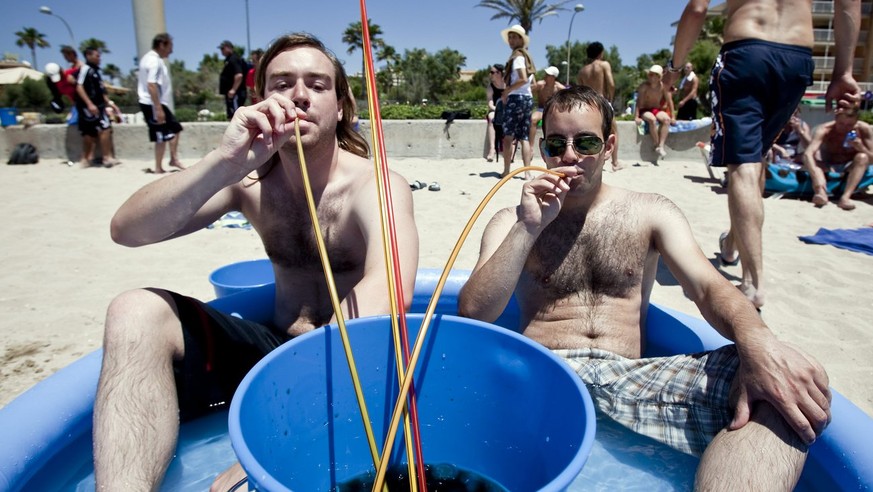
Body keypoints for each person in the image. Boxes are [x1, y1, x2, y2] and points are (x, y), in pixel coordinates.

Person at [458, 86, 830, 490]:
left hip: (630, 378)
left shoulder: (649, 211)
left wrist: (757, 340)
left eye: (585, 142)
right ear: (542, 147)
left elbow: (707, 286)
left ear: (608, 146)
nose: (568, 155)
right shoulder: (512, 220)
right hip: (546, 375)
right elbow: (475, 314)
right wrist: (529, 227)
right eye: (555, 143)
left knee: (790, 382)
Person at [92, 33, 419, 490]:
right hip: (271, 348)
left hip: (354, 365)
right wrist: (223, 163)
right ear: (261, 100)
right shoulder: (246, 181)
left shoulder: (375, 185)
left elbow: (392, 287)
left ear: (342, 105)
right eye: (282, 83)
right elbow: (128, 230)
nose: (299, 95)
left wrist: (273, 435)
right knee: (134, 310)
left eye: (318, 84)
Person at [665, 0, 861, 310]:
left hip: (746, 53)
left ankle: (753, 283)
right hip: (797, 60)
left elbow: (698, 8)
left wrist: (675, 68)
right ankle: (732, 242)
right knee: (755, 159)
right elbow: (847, 4)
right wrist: (843, 71)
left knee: (743, 166)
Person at [802, 106, 872, 210]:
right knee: (812, 160)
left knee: (863, 157)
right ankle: (820, 192)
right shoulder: (825, 130)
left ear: (856, 122)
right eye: (841, 124)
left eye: (849, 125)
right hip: (828, 165)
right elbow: (808, 153)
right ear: (835, 120)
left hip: (850, 167)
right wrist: (816, 179)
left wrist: (861, 147)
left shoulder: (863, 130)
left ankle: (845, 197)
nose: (845, 128)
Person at [137, 32, 185, 174]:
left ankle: (173, 159)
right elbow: (151, 85)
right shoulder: (153, 61)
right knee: (160, 135)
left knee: (175, 128)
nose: (171, 50)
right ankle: (158, 167)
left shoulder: (151, 59)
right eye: (170, 46)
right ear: (162, 44)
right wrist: (158, 108)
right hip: (152, 103)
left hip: (157, 102)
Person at [74, 47, 121, 168]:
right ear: (88, 56)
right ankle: (86, 159)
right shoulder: (85, 70)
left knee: (105, 128)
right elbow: (79, 87)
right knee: (89, 133)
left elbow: (101, 91)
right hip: (88, 108)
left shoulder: (96, 72)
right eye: (97, 56)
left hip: (99, 107)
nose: (99, 58)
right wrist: (89, 104)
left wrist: (110, 103)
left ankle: (107, 157)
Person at [577, 41, 621, 171]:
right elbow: (611, 83)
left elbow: (579, 89)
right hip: (601, 100)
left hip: (587, 102)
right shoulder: (603, 65)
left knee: (589, 134)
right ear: (601, 53)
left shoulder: (582, 71)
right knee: (613, 131)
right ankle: (615, 162)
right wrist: (610, 97)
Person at [500, 24, 536, 179]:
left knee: (508, 135)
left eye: (514, 37)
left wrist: (507, 91)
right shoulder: (527, 58)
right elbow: (532, 83)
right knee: (524, 137)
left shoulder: (518, 57)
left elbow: (521, 78)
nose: (511, 40)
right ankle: (527, 172)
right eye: (510, 37)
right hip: (527, 98)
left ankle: (507, 170)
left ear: (521, 39)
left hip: (516, 98)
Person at [634, 65, 674, 159]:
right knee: (652, 119)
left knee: (666, 119)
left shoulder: (662, 86)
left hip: (656, 109)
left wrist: (673, 116)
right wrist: (636, 116)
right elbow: (638, 101)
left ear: (659, 76)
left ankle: (661, 145)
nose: (652, 77)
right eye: (650, 74)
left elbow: (669, 101)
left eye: (654, 75)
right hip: (645, 110)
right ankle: (656, 144)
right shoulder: (644, 86)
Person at [529, 66, 565, 146]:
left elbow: (569, 97)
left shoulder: (559, 88)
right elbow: (528, 91)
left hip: (554, 110)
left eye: (548, 75)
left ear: (553, 77)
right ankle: (531, 147)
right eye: (546, 74)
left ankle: (557, 145)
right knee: (533, 119)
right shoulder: (540, 85)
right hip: (541, 109)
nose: (545, 76)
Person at [218, 40, 248, 118]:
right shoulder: (228, 59)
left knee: (237, 116)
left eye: (222, 49)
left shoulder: (233, 59)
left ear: (229, 48)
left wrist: (233, 90)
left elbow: (239, 75)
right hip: (232, 94)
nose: (221, 51)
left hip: (236, 94)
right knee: (232, 115)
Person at [485, 63, 506, 162]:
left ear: (499, 73)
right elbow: (490, 102)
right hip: (495, 109)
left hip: (507, 109)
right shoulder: (491, 87)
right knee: (491, 118)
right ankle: (492, 149)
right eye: (491, 72)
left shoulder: (508, 84)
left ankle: (509, 150)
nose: (491, 74)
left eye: (493, 72)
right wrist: (497, 109)